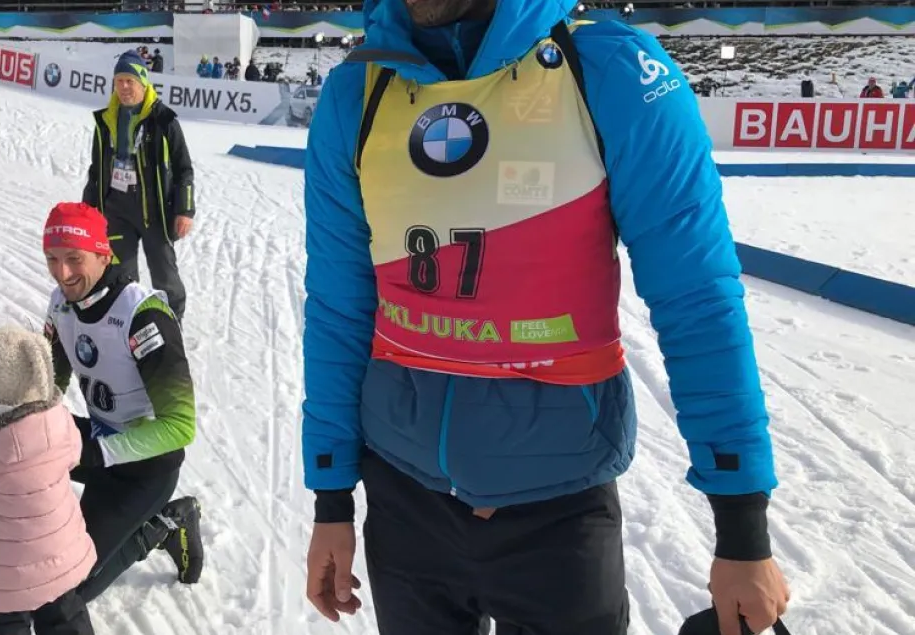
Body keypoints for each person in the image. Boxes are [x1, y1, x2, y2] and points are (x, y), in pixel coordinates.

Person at [300, 1, 791, 635]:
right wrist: (331, 500)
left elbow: (696, 298)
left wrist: (743, 529)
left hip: (559, 513)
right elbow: (339, 309)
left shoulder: (610, 69)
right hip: (403, 505)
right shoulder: (354, 93)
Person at [41, 201, 205, 599]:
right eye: (52, 259)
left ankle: (166, 522)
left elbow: (180, 427)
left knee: (68, 594)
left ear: (103, 254)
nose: (63, 273)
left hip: (145, 469)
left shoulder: (142, 315)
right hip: (101, 446)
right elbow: (49, 386)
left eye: (75, 259)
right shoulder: (62, 302)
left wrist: (98, 454)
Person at [0, 324, 99, 635]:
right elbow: (74, 456)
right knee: (64, 616)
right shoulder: (60, 421)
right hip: (57, 557)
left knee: (0, 625)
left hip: (0, 573)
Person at [83, 50, 196, 320]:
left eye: (129, 81)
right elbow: (96, 171)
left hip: (154, 210)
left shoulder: (164, 120)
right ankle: (127, 326)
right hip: (117, 208)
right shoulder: (106, 121)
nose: (123, 87)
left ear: (143, 83)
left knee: (165, 275)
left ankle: (171, 325)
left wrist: (185, 210)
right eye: (119, 80)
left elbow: (184, 168)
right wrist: (88, 211)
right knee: (120, 274)